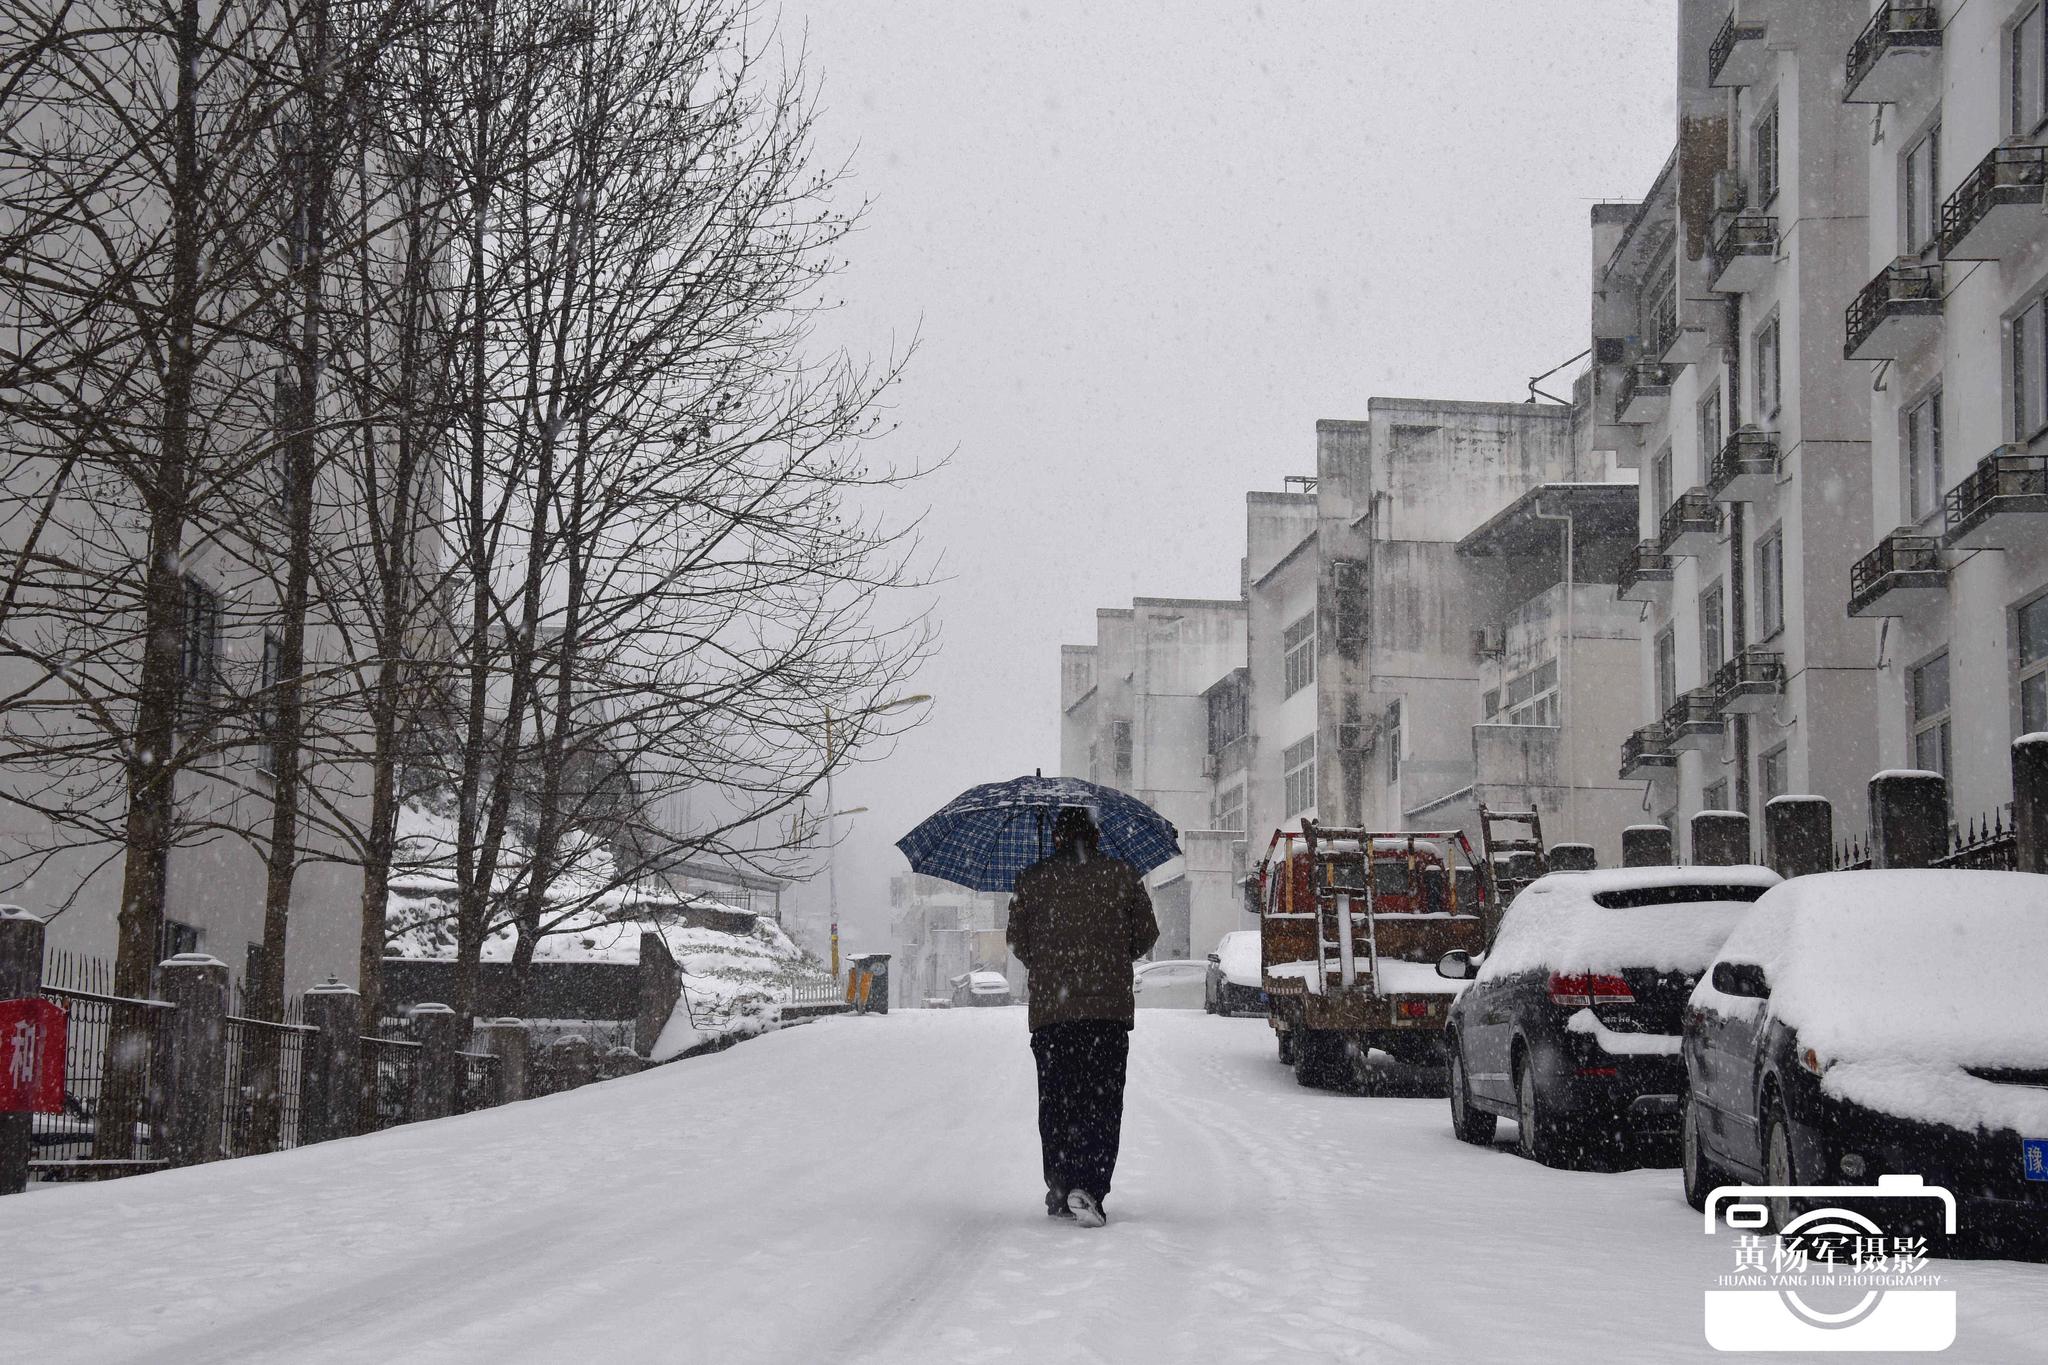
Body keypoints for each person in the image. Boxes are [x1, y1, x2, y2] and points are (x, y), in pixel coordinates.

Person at [1004, 805, 1159, 1228]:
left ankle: (1059, 1187)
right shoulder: (1123, 875)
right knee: (1102, 1104)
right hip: (1106, 1014)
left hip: (1053, 1014)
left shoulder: (1031, 881)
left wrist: (1052, 959)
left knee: (1056, 1102)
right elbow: (1146, 936)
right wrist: (1108, 954)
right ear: (1095, 836)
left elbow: (1018, 943)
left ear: (1055, 838)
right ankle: (1089, 1188)